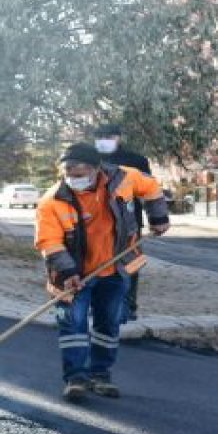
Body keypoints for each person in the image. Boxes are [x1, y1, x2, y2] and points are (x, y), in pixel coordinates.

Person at [34, 142, 169, 401]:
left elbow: (151, 187)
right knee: (73, 325)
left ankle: (100, 375)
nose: (73, 180)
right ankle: (76, 378)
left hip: (115, 269)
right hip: (74, 276)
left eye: (79, 175)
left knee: (108, 324)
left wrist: (158, 217)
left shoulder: (124, 179)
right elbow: (49, 242)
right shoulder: (51, 201)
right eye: (68, 175)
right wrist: (67, 272)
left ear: (97, 170)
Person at [92, 123, 153, 322]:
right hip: (97, 221)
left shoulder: (136, 161)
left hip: (129, 222)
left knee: (130, 263)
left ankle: (128, 306)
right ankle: (100, 305)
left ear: (119, 137)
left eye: (108, 136)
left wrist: (157, 218)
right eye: (99, 136)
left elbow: (150, 190)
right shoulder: (89, 159)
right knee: (98, 263)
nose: (103, 140)